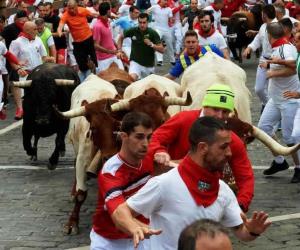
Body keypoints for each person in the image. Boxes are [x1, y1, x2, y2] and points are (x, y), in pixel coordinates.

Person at [112, 116, 271, 250]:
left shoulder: (223, 190)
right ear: (203, 148)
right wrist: (134, 228)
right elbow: (121, 212)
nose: (229, 153)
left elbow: (241, 232)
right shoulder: (164, 184)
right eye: (223, 147)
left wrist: (252, 231)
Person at [145, 84, 254, 212]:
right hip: (173, 186)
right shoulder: (183, 119)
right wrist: (159, 151)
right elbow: (154, 138)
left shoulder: (233, 140)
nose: (219, 116)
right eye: (215, 109)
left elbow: (245, 176)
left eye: (225, 111)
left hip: (207, 193)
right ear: (205, 106)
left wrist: (241, 205)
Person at [90, 112, 155, 250]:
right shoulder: (111, 172)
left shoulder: (151, 159)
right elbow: (119, 213)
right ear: (124, 136)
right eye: (139, 137)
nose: (145, 144)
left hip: (143, 237)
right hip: (108, 241)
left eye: (149, 137)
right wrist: (135, 228)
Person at [258, 22, 300, 183]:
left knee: (290, 137)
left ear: (269, 36)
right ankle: (279, 161)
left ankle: (298, 168)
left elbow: (293, 68)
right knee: (263, 129)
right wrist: (269, 63)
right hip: (275, 99)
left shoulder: (286, 49)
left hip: (289, 100)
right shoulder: (278, 48)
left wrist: (271, 73)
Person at [9, 21, 53, 120]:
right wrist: (18, 68)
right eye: (35, 29)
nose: (37, 31)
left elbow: (44, 56)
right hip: (24, 74)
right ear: (27, 31)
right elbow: (11, 60)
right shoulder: (16, 42)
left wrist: (49, 59)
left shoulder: (38, 40)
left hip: (38, 73)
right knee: (16, 84)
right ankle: (19, 109)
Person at [243, 4, 277, 111]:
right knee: (259, 89)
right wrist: (249, 48)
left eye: (262, 13)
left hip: (276, 61)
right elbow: (258, 39)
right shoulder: (263, 26)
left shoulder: (278, 27)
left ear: (265, 15)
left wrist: (273, 62)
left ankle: (271, 110)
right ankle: (269, 106)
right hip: (263, 59)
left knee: (272, 89)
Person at [57, 0, 99, 81]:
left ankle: (95, 76)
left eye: (73, 8)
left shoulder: (82, 10)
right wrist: (59, 32)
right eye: (69, 9)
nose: (71, 10)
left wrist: (109, 16)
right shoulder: (65, 15)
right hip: (77, 42)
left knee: (93, 60)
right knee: (82, 64)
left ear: (76, 6)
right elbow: (60, 25)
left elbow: (94, 15)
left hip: (88, 39)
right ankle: (83, 80)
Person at [117, 13, 164, 81]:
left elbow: (162, 50)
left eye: (144, 22)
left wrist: (152, 44)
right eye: (140, 22)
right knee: (131, 80)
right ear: (138, 22)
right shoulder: (132, 30)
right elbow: (121, 37)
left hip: (149, 65)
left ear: (148, 22)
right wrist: (119, 51)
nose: (142, 25)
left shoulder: (153, 33)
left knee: (148, 88)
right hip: (135, 63)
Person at [93, 2, 124, 73]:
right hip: (103, 59)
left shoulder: (108, 22)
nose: (111, 11)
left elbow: (111, 38)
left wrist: (118, 49)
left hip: (114, 55)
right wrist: (110, 51)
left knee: (123, 74)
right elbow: (96, 45)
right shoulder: (97, 26)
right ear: (108, 11)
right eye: (110, 10)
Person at [146, 0, 175, 66]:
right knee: (158, 43)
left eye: (166, 1)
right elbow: (147, 11)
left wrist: (172, 20)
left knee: (170, 44)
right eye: (165, 0)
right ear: (160, 1)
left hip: (167, 29)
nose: (166, 2)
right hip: (158, 29)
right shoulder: (154, 7)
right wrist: (148, 14)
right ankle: (160, 60)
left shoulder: (169, 9)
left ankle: (172, 60)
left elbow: (171, 19)